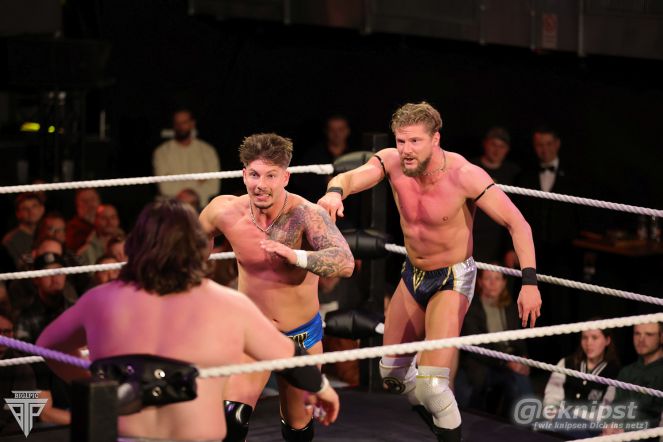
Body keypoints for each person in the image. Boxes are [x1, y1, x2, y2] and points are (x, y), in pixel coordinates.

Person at [318, 101, 542, 441]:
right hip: (414, 273)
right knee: (391, 374)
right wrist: (335, 193)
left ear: (435, 139)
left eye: (415, 141)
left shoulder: (464, 174)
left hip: (452, 278)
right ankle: (442, 425)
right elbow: (350, 177)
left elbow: (518, 223)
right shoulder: (392, 161)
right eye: (401, 141)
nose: (406, 150)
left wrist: (529, 282)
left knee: (433, 386)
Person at [37, 200, 339, 441]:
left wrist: (96, 386)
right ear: (197, 248)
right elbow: (288, 356)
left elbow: (49, 346)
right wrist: (322, 388)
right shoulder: (227, 304)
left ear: (135, 247)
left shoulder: (100, 300)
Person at [199, 133, 354, 441]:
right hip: (253, 333)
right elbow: (189, 249)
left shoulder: (307, 214)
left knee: (298, 429)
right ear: (244, 174)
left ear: (285, 177)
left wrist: (297, 257)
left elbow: (345, 262)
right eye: (254, 174)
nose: (261, 184)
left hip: (301, 336)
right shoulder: (224, 212)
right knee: (230, 421)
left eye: (271, 175)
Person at [456, 268, 533, 417]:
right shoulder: (471, 307)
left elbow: (518, 339)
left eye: (497, 278)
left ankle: (523, 424)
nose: (493, 283)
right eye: (488, 278)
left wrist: (523, 358)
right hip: (482, 362)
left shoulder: (511, 307)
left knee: (519, 380)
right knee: (515, 381)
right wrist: (506, 362)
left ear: (504, 282)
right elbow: (476, 345)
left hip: (507, 361)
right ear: (480, 282)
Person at [543, 325, 620, 437]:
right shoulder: (567, 363)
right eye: (584, 338)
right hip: (563, 421)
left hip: (593, 425)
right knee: (556, 420)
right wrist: (554, 414)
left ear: (607, 340)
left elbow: (607, 408)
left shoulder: (614, 372)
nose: (589, 343)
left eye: (594, 337)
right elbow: (551, 396)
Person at [471, 127, 521, 265]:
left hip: (499, 240)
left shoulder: (514, 173)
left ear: (507, 149)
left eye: (502, 146)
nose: (497, 150)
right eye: (493, 144)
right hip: (471, 235)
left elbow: (518, 213)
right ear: (485, 144)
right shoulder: (471, 167)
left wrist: (511, 248)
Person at [603, 322, 663, 436]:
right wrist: (609, 426)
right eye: (637, 334)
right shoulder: (626, 371)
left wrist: (626, 431)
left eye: (649, 334)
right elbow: (614, 408)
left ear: (661, 337)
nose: (641, 339)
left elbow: (656, 421)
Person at [153, 109, 221, 205]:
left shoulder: (208, 151)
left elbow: (214, 186)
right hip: (170, 207)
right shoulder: (161, 152)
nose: (180, 126)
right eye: (177, 123)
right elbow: (165, 188)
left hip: (201, 206)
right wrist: (198, 182)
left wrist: (194, 195)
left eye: (184, 122)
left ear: (192, 124)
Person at [2, 192, 45, 267]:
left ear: (42, 208)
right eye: (24, 208)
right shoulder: (10, 240)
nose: (31, 211)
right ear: (18, 213)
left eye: (34, 206)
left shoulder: (50, 232)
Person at [66, 188, 101, 252]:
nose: (90, 205)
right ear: (77, 205)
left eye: (93, 199)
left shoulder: (109, 225)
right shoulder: (73, 229)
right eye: (85, 201)